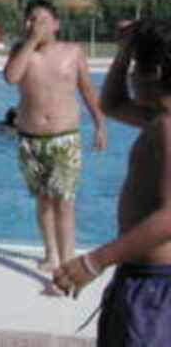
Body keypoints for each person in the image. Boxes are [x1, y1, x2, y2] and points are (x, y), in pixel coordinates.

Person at [52, 20, 171, 345]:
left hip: (155, 289)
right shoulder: (157, 118)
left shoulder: (167, 127)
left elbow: (170, 217)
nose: (130, 74)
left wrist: (95, 261)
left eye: (135, 66)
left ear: (156, 71)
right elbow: (112, 104)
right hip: (143, 280)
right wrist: (124, 51)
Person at [4, 0, 106, 272]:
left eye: (40, 20)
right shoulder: (20, 52)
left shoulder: (72, 52)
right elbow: (11, 77)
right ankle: (51, 252)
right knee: (44, 200)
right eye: (29, 19)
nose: (33, 24)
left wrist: (100, 125)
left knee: (65, 203)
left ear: (56, 25)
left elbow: (87, 91)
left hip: (64, 138)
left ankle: (68, 264)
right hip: (29, 139)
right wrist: (30, 42)